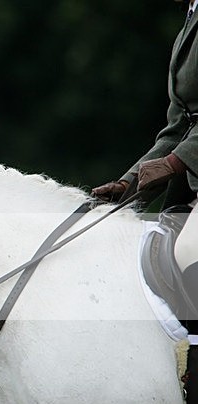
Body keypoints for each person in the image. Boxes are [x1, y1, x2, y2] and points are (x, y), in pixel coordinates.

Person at [92, 1, 198, 320]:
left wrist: (175, 163)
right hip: (189, 187)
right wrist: (130, 182)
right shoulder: (191, 17)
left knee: (188, 249)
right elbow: (179, 125)